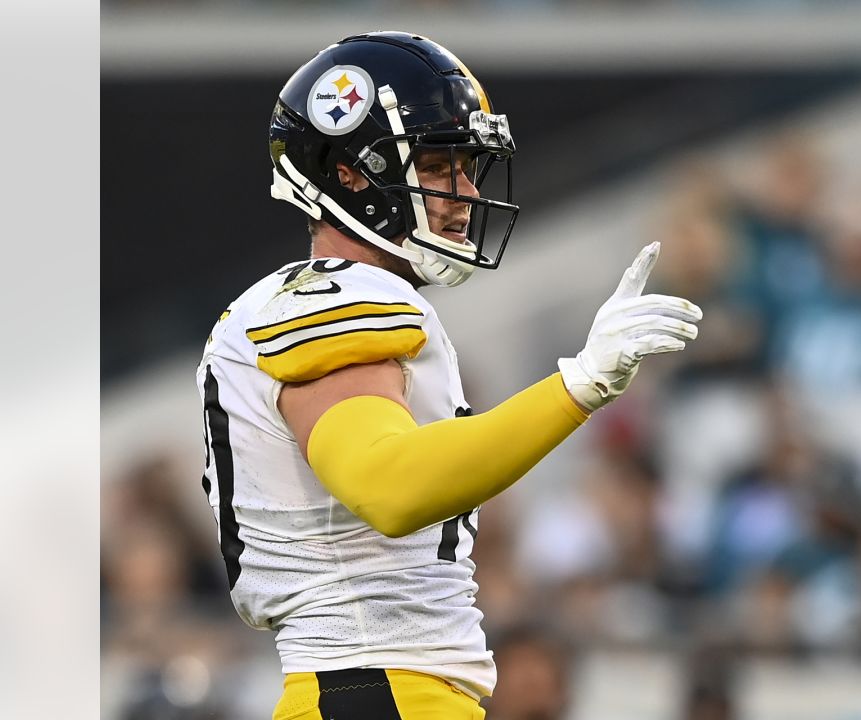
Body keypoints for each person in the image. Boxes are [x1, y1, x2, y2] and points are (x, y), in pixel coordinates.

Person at [195, 32, 701, 719]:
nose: (465, 193)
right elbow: (389, 486)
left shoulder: (345, 297)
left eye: (467, 168)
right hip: (376, 688)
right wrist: (578, 386)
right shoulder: (339, 297)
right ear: (350, 173)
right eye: (437, 167)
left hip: (383, 686)